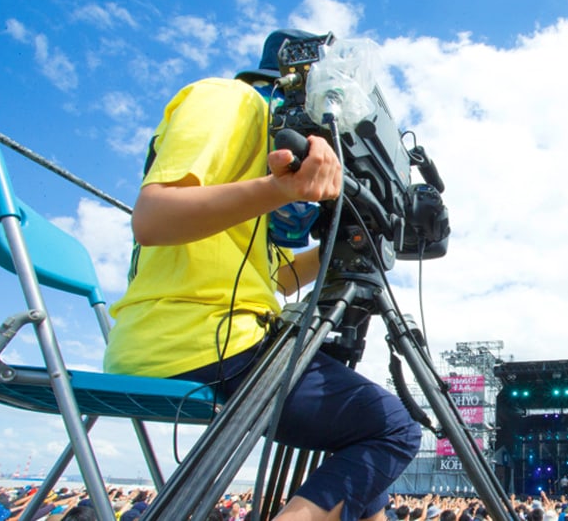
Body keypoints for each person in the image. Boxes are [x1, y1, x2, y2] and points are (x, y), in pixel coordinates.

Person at [103, 28, 422, 521]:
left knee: (363, 453)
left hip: (213, 339)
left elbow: (279, 281)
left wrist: (357, 241)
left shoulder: (250, 209)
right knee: (392, 428)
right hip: (195, 340)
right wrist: (280, 190)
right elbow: (153, 219)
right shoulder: (228, 99)